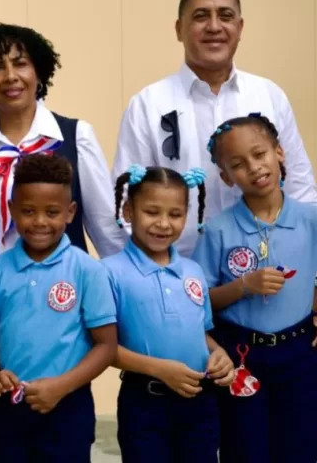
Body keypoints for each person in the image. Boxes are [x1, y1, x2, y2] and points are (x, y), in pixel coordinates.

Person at [0, 23, 126, 460]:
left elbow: (106, 231)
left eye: (21, 63)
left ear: (39, 71)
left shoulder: (74, 136)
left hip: (59, 321)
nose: (10, 76)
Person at [113, 0, 317, 257]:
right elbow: (126, 201)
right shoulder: (148, 104)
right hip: (178, 277)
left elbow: (302, 191)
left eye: (225, 15)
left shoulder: (269, 96)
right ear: (179, 29)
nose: (214, 26)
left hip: (270, 272)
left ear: (240, 27)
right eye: (200, 16)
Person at [190, 114, 317, 463]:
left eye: (260, 154)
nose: (254, 167)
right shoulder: (217, 231)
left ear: (279, 152)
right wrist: (243, 286)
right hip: (241, 355)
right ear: (226, 177)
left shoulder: (310, 220)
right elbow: (199, 303)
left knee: (303, 445)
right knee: (244, 448)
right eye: (238, 164)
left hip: (301, 353)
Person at [0, 153, 117, 463]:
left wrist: (61, 387)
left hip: (68, 405)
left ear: (70, 212)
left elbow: (106, 346)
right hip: (9, 407)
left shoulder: (87, 271)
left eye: (52, 212)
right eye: (28, 211)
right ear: (12, 209)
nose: (40, 221)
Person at [105, 164, 235, 463]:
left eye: (175, 215)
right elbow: (103, 348)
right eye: (152, 212)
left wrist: (220, 354)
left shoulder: (193, 271)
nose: (163, 223)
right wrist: (161, 370)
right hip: (145, 403)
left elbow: (200, 334)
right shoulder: (108, 272)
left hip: (201, 402)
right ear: (128, 211)